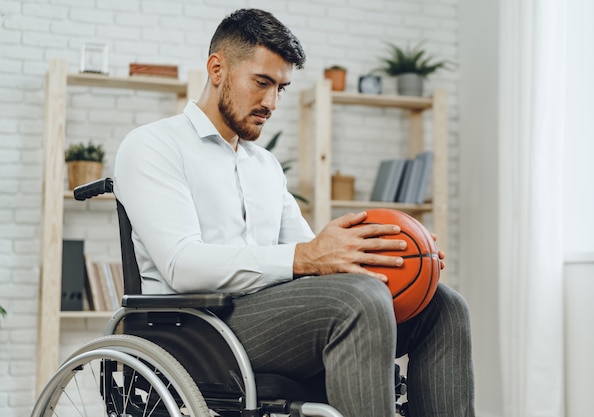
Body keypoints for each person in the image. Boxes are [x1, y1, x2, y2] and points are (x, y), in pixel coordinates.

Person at [114, 8, 474, 417]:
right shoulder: (153, 146)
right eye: (262, 82)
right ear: (217, 69)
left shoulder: (265, 166)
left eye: (281, 88)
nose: (271, 102)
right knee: (358, 300)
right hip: (197, 330)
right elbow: (181, 264)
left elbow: (312, 253)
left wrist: (398, 263)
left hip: (270, 318)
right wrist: (307, 257)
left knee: (442, 304)